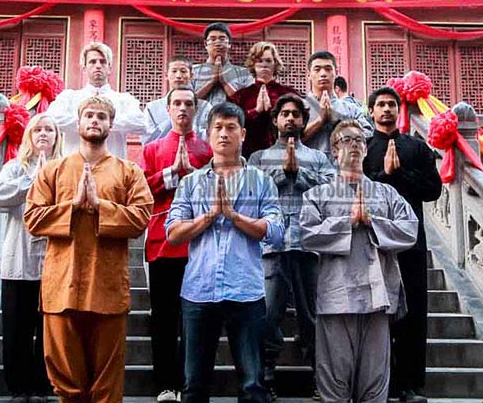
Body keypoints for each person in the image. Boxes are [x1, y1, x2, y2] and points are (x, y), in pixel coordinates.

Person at [25, 95, 154, 403]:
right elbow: (32, 217)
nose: (95, 120)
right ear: (78, 123)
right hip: (61, 288)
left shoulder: (128, 172)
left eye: (101, 116)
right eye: (89, 116)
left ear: (111, 125)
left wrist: (100, 206)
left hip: (107, 288)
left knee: (107, 387)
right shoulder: (52, 171)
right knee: (64, 382)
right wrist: (72, 206)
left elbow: (141, 218)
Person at [166, 102, 284, 403]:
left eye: (231, 127)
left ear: (243, 134)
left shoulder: (262, 181)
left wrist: (233, 216)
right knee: (194, 385)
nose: (224, 133)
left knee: (253, 385)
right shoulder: (191, 183)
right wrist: (208, 217)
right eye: (217, 127)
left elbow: (275, 231)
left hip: (245, 291)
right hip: (198, 291)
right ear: (207, 135)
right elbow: (173, 234)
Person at [300, 120, 419, 403]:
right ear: (333, 151)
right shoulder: (317, 195)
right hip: (336, 297)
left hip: (378, 294)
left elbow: (410, 229)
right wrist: (348, 222)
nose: (353, 145)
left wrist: (373, 222)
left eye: (358, 140)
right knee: (334, 383)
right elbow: (307, 234)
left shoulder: (387, 193)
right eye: (345, 140)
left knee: (374, 385)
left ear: (366, 149)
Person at [247, 94, 335, 399]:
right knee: (269, 313)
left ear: (303, 120)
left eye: (296, 114)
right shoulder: (257, 158)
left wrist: (299, 174)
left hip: (308, 243)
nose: (290, 119)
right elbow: (251, 193)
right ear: (274, 120)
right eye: (284, 114)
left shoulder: (320, 158)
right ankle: (266, 375)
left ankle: (318, 377)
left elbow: (330, 191)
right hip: (270, 246)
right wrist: (282, 173)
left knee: (311, 314)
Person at [363, 87, 442, 403]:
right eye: (380, 105)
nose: (386, 110)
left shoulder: (417, 147)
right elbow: (362, 186)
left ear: (399, 110)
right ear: (371, 112)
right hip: (373, 242)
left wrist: (401, 173)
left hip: (411, 242)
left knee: (413, 313)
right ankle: (376, 382)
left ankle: (409, 384)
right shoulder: (365, 147)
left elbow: (432, 190)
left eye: (391, 105)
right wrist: (384, 174)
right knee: (377, 314)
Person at [142, 85, 213, 403]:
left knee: (196, 318)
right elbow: (142, 191)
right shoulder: (153, 149)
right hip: (162, 241)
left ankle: (191, 383)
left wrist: (194, 174)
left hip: (199, 243)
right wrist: (171, 174)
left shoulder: (208, 150)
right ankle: (165, 384)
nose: (183, 109)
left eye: (188, 103)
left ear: (195, 110)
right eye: (177, 104)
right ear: (168, 109)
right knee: (164, 317)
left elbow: (217, 189)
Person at [0, 113, 64, 403]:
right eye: (38, 130)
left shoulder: (65, 168)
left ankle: (43, 385)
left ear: (58, 136)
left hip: (53, 260)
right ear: (29, 137)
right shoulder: (14, 168)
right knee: (16, 328)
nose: (44, 134)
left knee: (48, 328)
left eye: (50, 129)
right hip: (18, 261)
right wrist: (32, 181)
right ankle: (18, 387)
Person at [47, 41, 146, 158]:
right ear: (84, 68)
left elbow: (141, 124)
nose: (98, 65)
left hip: (112, 168)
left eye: (103, 62)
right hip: (75, 168)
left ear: (109, 68)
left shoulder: (124, 100)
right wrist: (92, 123)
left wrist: (103, 122)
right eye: (92, 62)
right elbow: (51, 121)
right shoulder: (68, 98)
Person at [231, 42, 299, 158]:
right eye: (260, 61)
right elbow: (233, 124)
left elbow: (299, 122)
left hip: (284, 153)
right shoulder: (241, 95)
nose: (264, 65)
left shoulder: (289, 94)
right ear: (253, 64)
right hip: (249, 154)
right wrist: (256, 111)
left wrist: (272, 111)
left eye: (268, 61)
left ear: (275, 64)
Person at [302, 51, 372, 157]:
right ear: (309, 75)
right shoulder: (299, 107)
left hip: (343, 171)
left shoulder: (351, 109)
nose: (323, 74)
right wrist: (319, 121)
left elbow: (369, 134)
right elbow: (290, 139)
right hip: (308, 170)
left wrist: (339, 124)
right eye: (317, 69)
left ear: (336, 73)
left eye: (328, 69)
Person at [144, 55, 213, 144]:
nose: (178, 76)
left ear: (191, 75)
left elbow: (211, 136)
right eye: (174, 71)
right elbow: (147, 141)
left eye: (183, 71)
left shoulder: (205, 107)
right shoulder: (152, 108)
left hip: (197, 155)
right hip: (162, 156)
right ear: (166, 75)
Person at [190, 23, 253, 106]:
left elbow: (247, 103)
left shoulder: (244, 73)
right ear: (205, 44)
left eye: (222, 39)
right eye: (213, 39)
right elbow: (187, 101)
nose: (218, 43)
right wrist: (212, 82)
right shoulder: (192, 71)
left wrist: (224, 81)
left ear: (229, 43)